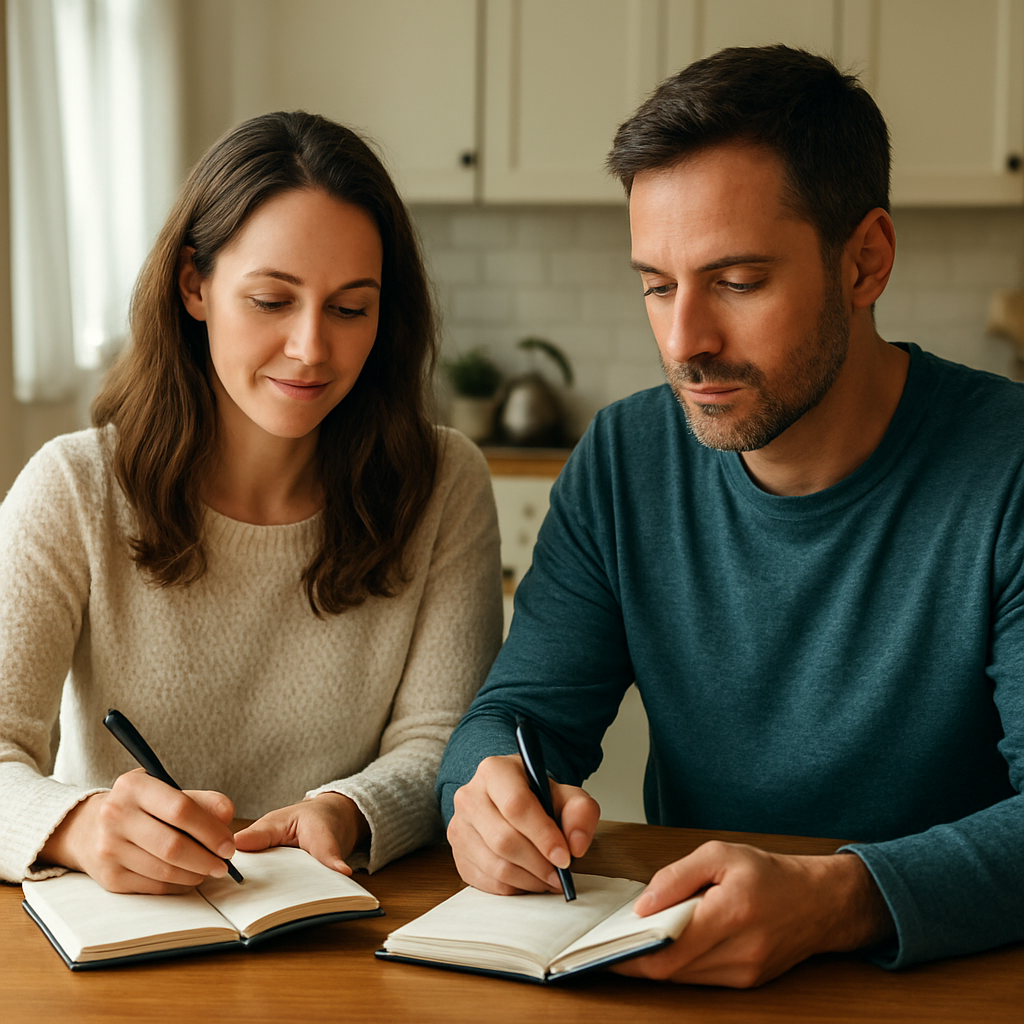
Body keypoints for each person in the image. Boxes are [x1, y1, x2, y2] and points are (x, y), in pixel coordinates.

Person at [436, 46, 1024, 987]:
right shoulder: (623, 460)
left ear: (866, 260)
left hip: (958, 981)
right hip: (697, 973)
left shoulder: (1010, 467)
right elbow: (517, 717)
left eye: (738, 282)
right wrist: (485, 796)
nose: (684, 343)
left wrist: (836, 898)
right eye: (657, 285)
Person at [0, 111, 502, 893]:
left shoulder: (443, 482)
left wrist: (347, 810)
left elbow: (442, 738)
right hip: (120, 941)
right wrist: (78, 827)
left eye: (350, 307)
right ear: (195, 285)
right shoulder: (74, 487)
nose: (311, 348)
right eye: (272, 300)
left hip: (349, 931)